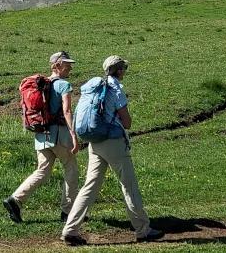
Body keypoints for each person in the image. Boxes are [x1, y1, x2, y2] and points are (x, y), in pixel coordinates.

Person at [61, 56, 163, 246]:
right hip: (113, 142)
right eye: (123, 68)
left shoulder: (94, 86)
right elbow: (127, 122)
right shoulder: (116, 88)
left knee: (89, 186)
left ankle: (70, 230)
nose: (125, 71)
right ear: (119, 70)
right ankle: (143, 230)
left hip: (95, 141)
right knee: (129, 185)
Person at [3, 51, 81, 223]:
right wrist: (74, 135)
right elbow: (67, 111)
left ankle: (15, 199)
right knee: (71, 169)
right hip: (59, 135)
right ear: (57, 65)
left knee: (43, 171)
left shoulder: (41, 85)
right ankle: (68, 211)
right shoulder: (64, 85)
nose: (70, 67)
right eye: (67, 65)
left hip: (41, 134)